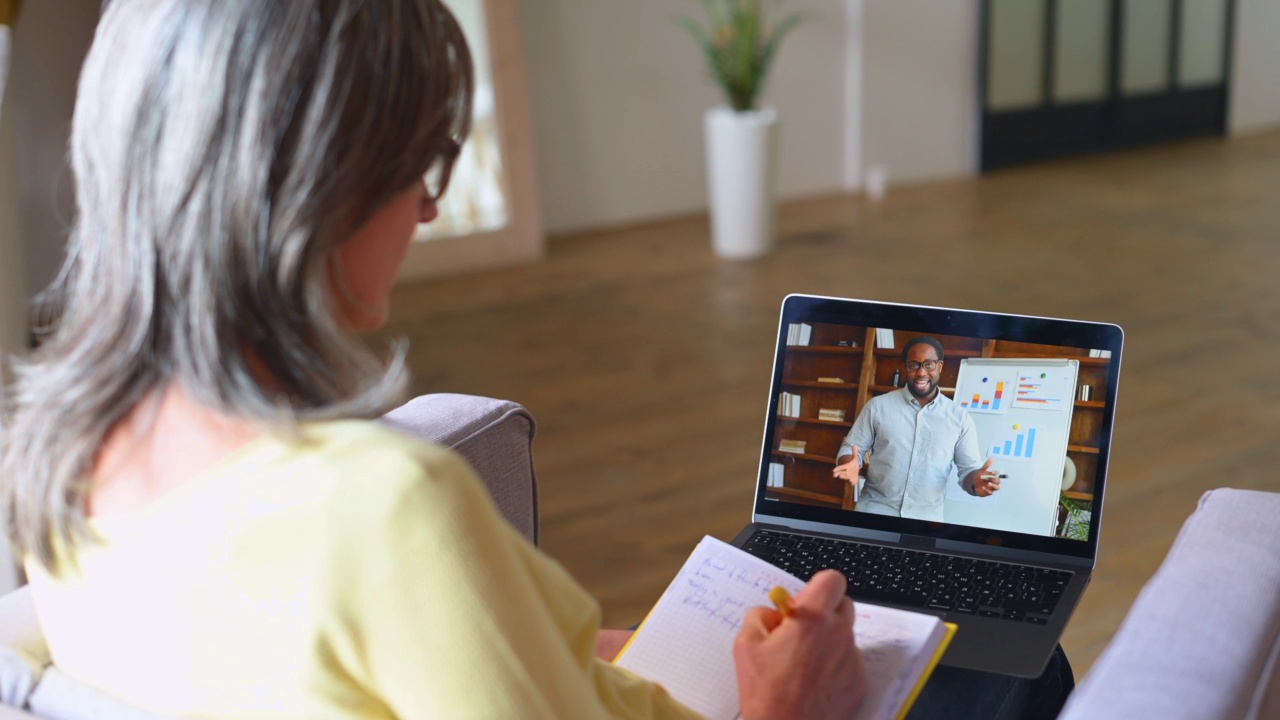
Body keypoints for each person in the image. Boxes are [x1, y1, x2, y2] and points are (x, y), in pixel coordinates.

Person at [0, 1, 865, 718]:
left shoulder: (62, 462)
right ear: (324, 186)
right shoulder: (386, 511)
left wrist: (575, 644)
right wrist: (783, 706)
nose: (423, 207)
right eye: (421, 162)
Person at [832, 336, 1003, 521]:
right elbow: (851, 448)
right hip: (874, 512)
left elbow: (968, 471)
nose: (921, 373)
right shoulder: (877, 406)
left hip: (925, 522)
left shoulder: (960, 418)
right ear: (906, 367)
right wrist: (850, 462)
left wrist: (977, 483)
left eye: (929, 364)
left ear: (940, 366)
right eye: (914, 365)